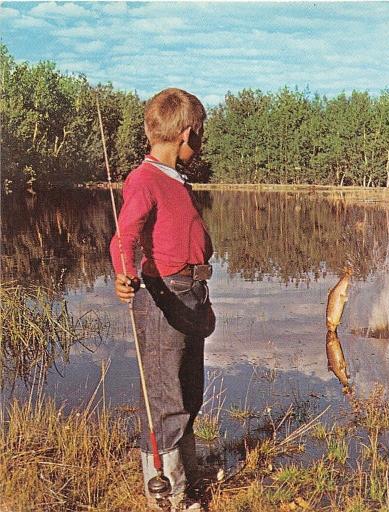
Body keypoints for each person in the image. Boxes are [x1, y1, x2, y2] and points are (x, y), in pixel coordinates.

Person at [111, 88, 214, 511]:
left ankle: (187, 478)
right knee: (164, 397)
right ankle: (167, 497)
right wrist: (124, 274)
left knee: (190, 391)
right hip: (161, 298)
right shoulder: (145, 178)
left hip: (189, 293)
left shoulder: (175, 179)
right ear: (188, 132)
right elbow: (125, 236)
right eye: (201, 133)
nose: (202, 141)